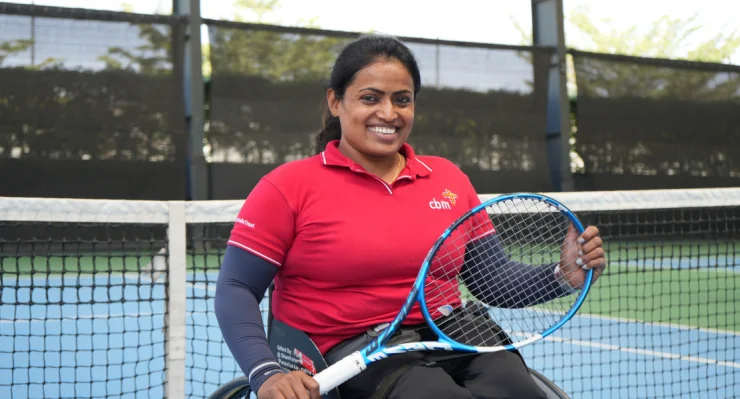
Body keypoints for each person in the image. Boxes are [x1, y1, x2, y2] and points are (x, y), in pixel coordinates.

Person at [214, 34, 606, 399]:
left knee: (515, 387)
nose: (389, 113)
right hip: (347, 350)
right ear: (336, 102)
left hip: (452, 332)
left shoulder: (448, 179)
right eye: (371, 98)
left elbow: (493, 282)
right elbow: (235, 287)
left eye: (402, 99)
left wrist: (562, 275)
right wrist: (266, 372)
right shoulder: (286, 187)